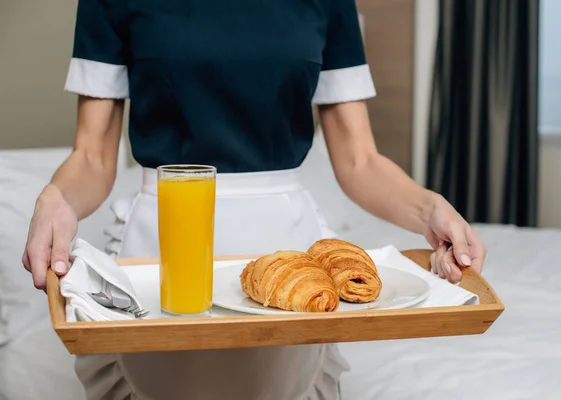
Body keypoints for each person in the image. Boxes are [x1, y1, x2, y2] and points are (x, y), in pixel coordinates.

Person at [23, 0, 486, 399]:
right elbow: (92, 155)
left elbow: (359, 160)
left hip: (287, 247)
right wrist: (56, 199)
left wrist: (431, 210)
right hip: (163, 251)